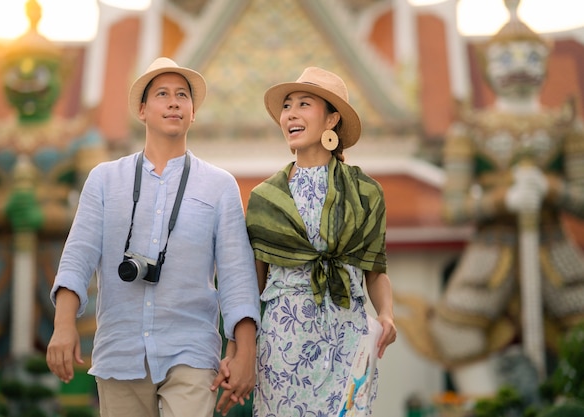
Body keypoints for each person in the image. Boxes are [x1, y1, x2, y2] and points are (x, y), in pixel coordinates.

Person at [45, 57, 260, 417]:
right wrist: (63, 325)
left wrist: (245, 353)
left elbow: (238, 277)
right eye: (162, 94)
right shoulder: (104, 179)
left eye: (182, 96)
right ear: (142, 110)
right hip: (120, 350)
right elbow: (78, 256)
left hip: (191, 351)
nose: (174, 102)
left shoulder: (219, 185)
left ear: (193, 113)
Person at [395, 0, 584, 399]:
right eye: (506, 56)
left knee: (580, 327)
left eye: (531, 54)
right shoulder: (471, 129)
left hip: (553, 242)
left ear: (546, 62)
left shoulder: (565, 126)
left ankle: (568, 400)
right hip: (492, 247)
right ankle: (489, 404)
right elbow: (454, 207)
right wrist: (505, 199)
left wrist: (550, 189)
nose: (519, 64)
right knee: (453, 330)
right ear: (487, 64)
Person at [0, 19, 107, 401]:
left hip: (62, 259)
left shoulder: (79, 138)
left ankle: (75, 409)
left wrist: (49, 217)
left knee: (84, 341)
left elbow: (107, 214)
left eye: (40, 69)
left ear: (61, 75)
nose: (27, 80)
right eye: (15, 68)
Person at [245, 67, 397, 416]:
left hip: (348, 337)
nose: (291, 114)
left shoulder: (364, 193)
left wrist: (387, 314)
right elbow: (254, 282)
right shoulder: (265, 198)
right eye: (287, 106)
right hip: (284, 339)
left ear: (332, 120)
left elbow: (375, 270)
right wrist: (243, 347)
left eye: (304, 104)